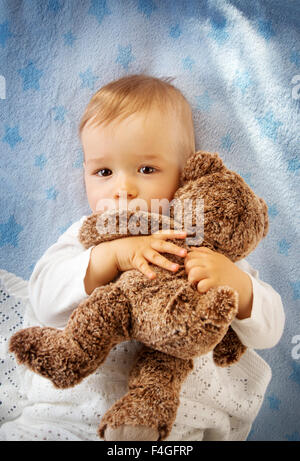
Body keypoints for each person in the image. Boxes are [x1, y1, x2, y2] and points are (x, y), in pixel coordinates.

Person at [5, 74, 285, 441]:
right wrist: (110, 257)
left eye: (147, 169)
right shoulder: (89, 236)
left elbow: (271, 330)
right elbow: (44, 300)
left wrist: (238, 285)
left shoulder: (201, 240)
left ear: (186, 173)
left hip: (175, 420)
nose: (123, 189)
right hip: (70, 411)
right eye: (103, 172)